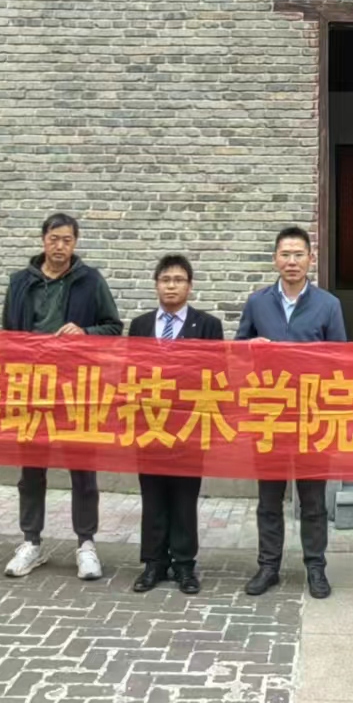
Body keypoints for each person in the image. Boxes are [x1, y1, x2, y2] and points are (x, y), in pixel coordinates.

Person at [1, 213, 122, 581]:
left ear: (75, 243)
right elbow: (8, 335)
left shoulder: (90, 281)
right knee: (31, 470)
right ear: (43, 240)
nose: (59, 246)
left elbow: (114, 327)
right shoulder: (20, 283)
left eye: (67, 240)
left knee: (82, 469)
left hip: (76, 389)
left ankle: (86, 543)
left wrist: (85, 333)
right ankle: (31, 542)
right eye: (54, 239)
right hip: (32, 388)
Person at [235, 225, 347, 599]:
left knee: (313, 499)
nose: (292, 261)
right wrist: (250, 346)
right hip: (269, 412)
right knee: (269, 498)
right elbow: (237, 350)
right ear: (275, 259)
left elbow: (341, 359)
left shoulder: (328, 304)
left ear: (311, 259)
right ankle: (268, 566)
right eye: (285, 254)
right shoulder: (257, 302)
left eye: (299, 254)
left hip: (312, 414)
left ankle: (316, 567)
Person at [128, 254, 224, 595]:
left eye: (179, 280)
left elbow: (218, 375)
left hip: (189, 425)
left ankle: (184, 565)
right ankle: (154, 563)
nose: (172, 286)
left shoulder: (208, 325)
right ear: (156, 285)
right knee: (152, 495)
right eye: (165, 280)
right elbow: (130, 374)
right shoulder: (140, 326)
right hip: (150, 425)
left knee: (184, 497)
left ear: (190, 286)